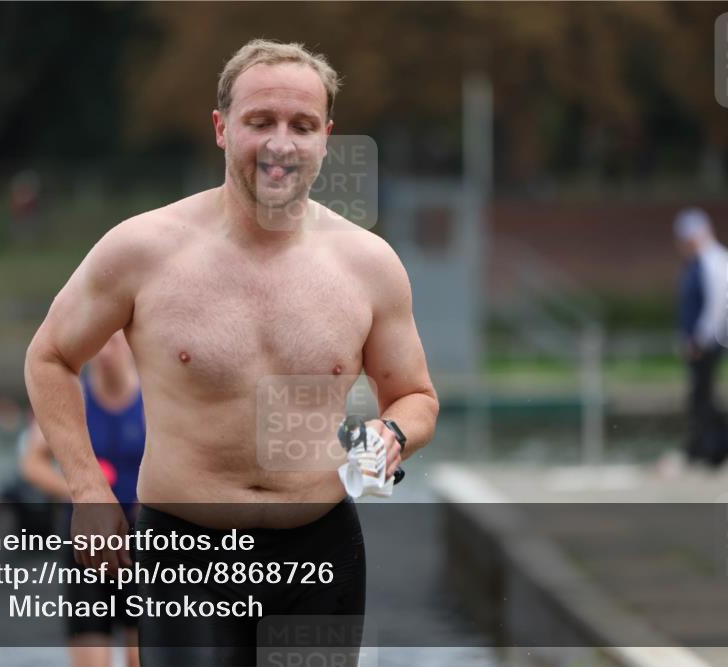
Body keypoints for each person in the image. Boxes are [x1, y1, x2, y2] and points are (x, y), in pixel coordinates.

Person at [24, 38, 439, 666]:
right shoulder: (143, 250)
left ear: (327, 137)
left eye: (301, 125)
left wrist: (389, 435)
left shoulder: (368, 265)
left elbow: (416, 396)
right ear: (221, 128)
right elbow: (50, 356)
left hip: (319, 551)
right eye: (260, 122)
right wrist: (88, 491)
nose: (280, 144)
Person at [22, 330, 145, 667]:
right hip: (87, 544)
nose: (105, 353)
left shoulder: (152, 397)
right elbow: (32, 462)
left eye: (114, 343)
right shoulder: (75, 396)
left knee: (139, 658)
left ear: (131, 347)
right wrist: (84, 492)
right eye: (99, 344)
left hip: (140, 543)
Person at [674, 207, 728, 467]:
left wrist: (700, 339)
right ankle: (714, 449)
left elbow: (718, 306)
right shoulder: (699, 261)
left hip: (711, 340)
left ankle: (715, 448)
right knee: (702, 395)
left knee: (702, 396)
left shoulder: (716, 261)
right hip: (701, 339)